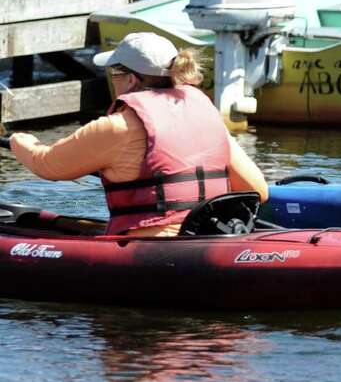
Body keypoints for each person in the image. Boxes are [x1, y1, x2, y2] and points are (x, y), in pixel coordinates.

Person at [8, 32, 269, 237]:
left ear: (131, 80)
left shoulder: (117, 126)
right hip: (213, 233)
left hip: (153, 245)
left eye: (114, 73)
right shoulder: (207, 113)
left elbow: (47, 165)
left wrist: (19, 141)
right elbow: (258, 190)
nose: (112, 80)